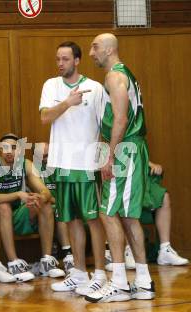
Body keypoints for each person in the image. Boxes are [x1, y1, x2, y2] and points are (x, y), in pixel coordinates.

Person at [86, 33, 155, 303]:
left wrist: (110, 155)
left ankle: (119, 282)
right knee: (126, 216)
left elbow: (121, 119)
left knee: (108, 211)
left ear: (109, 49)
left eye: (95, 47)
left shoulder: (115, 76)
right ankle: (143, 279)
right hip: (132, 147)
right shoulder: (126, 74)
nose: (92, 52)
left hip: (124, 147)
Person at [39, 41, 107, 296]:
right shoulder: (51, 85)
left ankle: (99, 272)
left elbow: (105, 126)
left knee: (93, 219)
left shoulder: (96, 88)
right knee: (72, 220)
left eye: (65, 59)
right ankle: (79, 272)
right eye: (58, 59)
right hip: (61, 163)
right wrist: (67, 102)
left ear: (77, 61)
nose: (60, 63)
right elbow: (45, 117)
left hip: (86, 164)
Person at [0, 133, 63, 282]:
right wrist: (19, 194)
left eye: (13, 148)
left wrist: (40, 197)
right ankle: (13, 263)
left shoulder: (26, 164)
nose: (9, 152)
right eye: (5, 148)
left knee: (45, 206)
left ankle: (46, 261)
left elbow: (44, 190)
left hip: (19, 214)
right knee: (4, 207)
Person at [35, 142, 74, 274]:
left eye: (48, 155)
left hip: (61, 205)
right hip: (43, 207)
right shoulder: (34, 169)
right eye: (43, 156)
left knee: (62, 207)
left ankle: (68, 256)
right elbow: (42, 195)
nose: (46, 159)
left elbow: (68, 194)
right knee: (57, 208)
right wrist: (54, 200)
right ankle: (65, 254)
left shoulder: (61, 168)